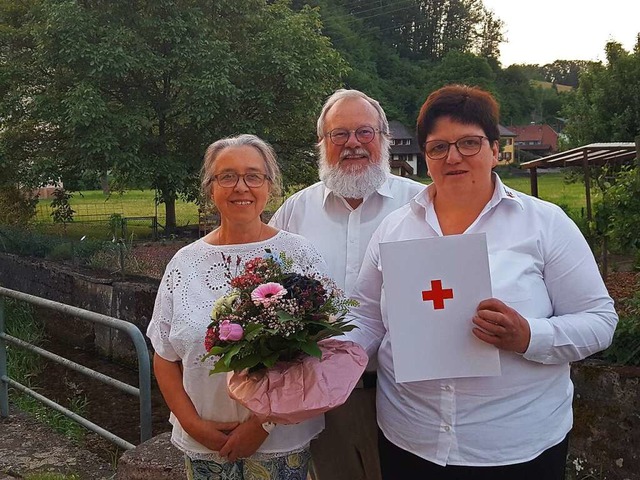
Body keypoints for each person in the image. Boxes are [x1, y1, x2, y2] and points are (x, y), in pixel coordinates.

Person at [345, 84, 618, 480]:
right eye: (439, 147)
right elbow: (367, 318)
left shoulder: (545, 224)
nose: (453, 157)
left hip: (513, 445)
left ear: (494, 149)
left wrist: (529, 336)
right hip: (410, 440)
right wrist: (325, 360)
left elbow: (600, 320)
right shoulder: (394, 229)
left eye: (469, 143)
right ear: (427, 156)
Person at [147, 134, 326, 480]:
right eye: (226, 176)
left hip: (279, 444)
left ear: (269, 186)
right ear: (211, 188)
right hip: (204, 444)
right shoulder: (184, 262)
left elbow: (316, 354)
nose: (240, 187)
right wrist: (193, 425)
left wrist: (262, 424)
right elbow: (164, 355)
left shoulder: (299, 256)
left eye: (253, 176)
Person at [269, 89, 424, 480]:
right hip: (321, 397)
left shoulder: (422, 205)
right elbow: (265, 289)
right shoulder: (295, 211)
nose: (352, 144)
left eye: (364, 133)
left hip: (403, 394)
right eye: (339, 135)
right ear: (322, 144)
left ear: (384, 139)